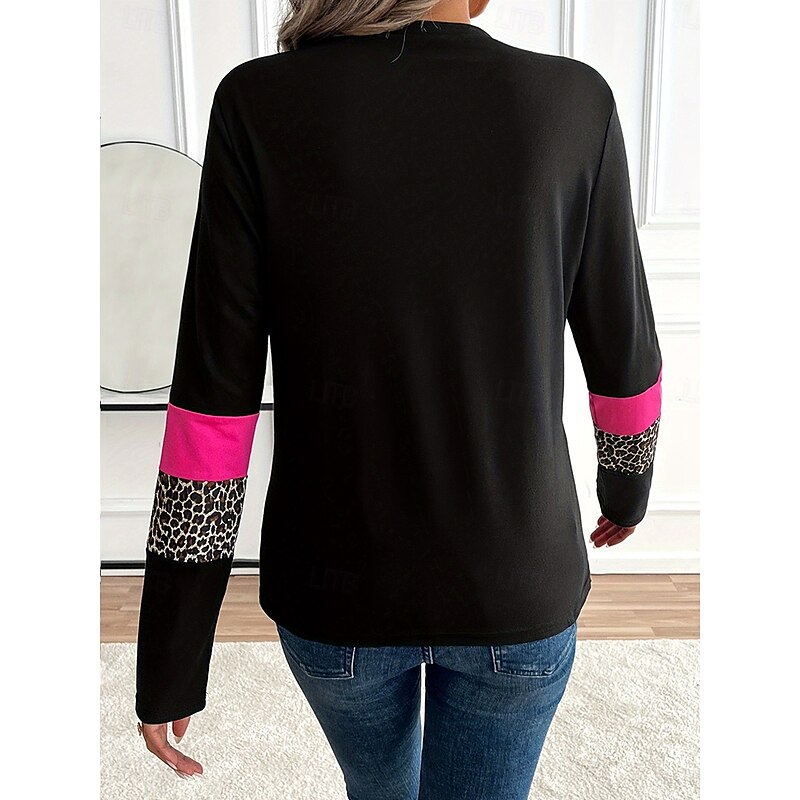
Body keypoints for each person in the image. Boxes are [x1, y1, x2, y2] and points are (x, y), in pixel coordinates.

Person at [133, 0, 663, 796]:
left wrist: (172, 656)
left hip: (334, 593)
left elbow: (214, 402)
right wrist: (627, 489)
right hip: (514, 575)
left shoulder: (259, 102)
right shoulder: (572, 100)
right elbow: (623, 348)